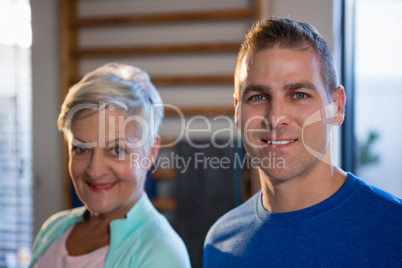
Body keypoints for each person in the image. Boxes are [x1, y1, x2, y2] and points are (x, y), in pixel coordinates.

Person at [203, 18, 402, 267]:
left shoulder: (395, 231)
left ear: (337, 106)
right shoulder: (220, 243)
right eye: (258, 96)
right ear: (237, 111)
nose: (275, 118)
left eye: (299, 95)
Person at [30, 63, 191, 267]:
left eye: (116, 150)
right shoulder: (54, 229)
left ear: (150, 153)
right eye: (81, 149)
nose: (95, 171)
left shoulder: (161, 255)